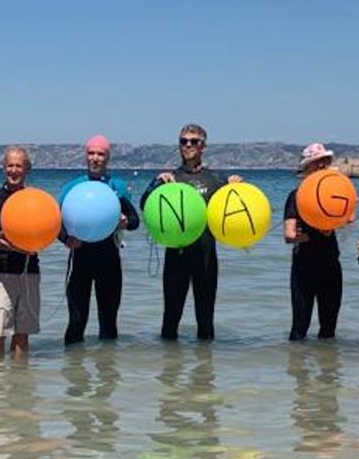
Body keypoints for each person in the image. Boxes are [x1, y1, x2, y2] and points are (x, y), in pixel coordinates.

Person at [140, 124, 241, 341]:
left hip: (205, 258)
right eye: (183, 141)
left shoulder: (216, 180)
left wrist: (237, 187)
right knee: (170, 321)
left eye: (193, 141)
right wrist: (155, 183)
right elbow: (144, 204)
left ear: (203, 145)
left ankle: (204, 372)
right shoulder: (171, 178)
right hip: (176, 257)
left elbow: (235, 211)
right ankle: (169, 372)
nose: (188, 145)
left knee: (205, 322)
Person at [61, 135, 140, 344]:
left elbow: (134, 221)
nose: (95, 158)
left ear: (108, 158)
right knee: (76, 323)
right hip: (80, 262)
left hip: (109, 262)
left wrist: (124, 222)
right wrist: (65, 239)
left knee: (109, 324)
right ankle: (74, 373)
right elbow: (56, 223)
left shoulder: (118, 187)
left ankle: (108, 373)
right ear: (86, 156)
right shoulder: (72, 188)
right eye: (91, 153)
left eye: (100, 154)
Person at [0, 146, 40, 358]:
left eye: (19, 166)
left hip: (28, 272)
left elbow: (49, 230)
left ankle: (20, 385)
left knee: (23, 333)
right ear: (4, 169)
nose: (14, 170)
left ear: (27, 169)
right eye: (10, 166)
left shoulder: (36, 201)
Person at [284, 143, 343, 341]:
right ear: (307, 167)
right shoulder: (296, 196)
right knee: (299, 329)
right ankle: (297, 369)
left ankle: (328, 369)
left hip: (331, 264)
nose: (322, 166)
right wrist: (313, 234)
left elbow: (349, 218)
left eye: (325, 162)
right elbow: (289, 236)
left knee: (329, 330)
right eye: (317, 163)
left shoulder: (334, 193)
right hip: (304, 267)